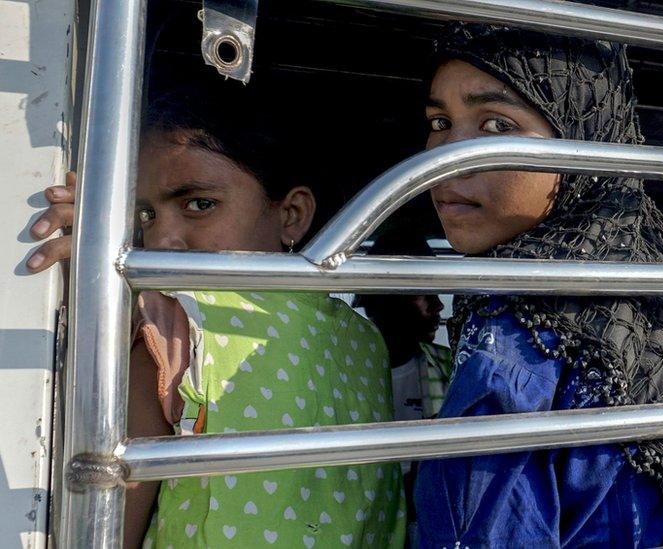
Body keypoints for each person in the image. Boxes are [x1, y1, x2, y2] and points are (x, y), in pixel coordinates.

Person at [414, 24, 663, 547]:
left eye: (495, 124)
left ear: (582, 143)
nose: (447, 157)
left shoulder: (514, 327)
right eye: (440, 122)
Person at [28, 89, 406, 548]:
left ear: (292, 215)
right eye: (145, 213)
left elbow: (109, 530)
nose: (162, 239)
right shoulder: (364, 337)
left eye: (199, 204)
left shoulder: (177, 320)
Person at [354, 230, 452, 422]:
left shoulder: (451, 367)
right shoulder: (346, 372)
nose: (438, 305)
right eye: (422, 292)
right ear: (386, 298)